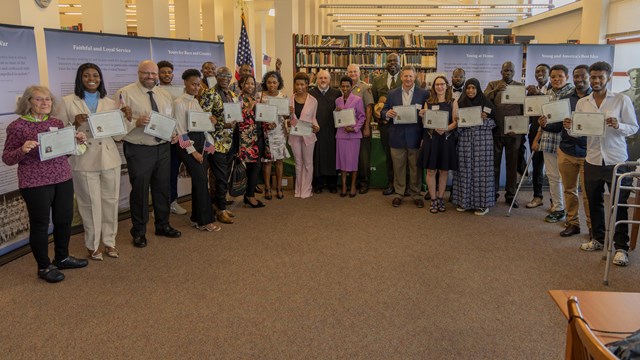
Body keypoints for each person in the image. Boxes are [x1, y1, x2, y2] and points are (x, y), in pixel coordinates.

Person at [2, 86, 89, 282]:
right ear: (28, 102)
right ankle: (43, 267)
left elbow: (63, 153)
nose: (45, 103)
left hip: (63, 178)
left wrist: (76, 141)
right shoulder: (17, 127)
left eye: (48, 99)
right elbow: (7, 158)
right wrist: (22, 150)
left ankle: (62, 257)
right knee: (40, 225)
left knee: (64, 220)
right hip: (35, 182)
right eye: (39, 99)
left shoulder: (57, 123)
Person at [56, 63, 132, 260]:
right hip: (83, 160)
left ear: (101, 79)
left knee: (110, 201)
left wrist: (126, 119)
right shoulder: (67, 102)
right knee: (90, 204)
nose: (92, 79)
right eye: (87, 75)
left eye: (96, 75)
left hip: (109, 158)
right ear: (79, 78)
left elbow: (119, 136)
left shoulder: (110, 102)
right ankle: (92, 244)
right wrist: (74, 123)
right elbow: (58, 134)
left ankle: (109, 242)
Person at [567, 62, 638, 266]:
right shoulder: (583, 102)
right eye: (594, 77)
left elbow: (633, 127)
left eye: (601, 77)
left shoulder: (620, 100)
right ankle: (597, 239)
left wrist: (618, 125)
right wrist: (570, 127)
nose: (596, 81)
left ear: (608, 78)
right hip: (593, 159)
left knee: (619, 204)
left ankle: (621, 248)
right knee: (594, 202)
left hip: (616, 160)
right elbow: (578, 131)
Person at [117, 60, 182, 248]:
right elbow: (118, 122)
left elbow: (169, 119)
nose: (150, 77)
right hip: (139, 149)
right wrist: (135, 123)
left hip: (162, 148)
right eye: (146, 73)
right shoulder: (125, 93)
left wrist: (173, 134)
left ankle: (163, 225)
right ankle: (138, 232)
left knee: (162, 189)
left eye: (153, 74)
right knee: (140, 191)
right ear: (138, 73)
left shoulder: (164, 94)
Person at [543, 64, 592, 237]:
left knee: (588, 193)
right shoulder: (568, 99)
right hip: (567, 149)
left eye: (583, 76)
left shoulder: (596, 98)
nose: (579, 79)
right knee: (569, 190)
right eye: (576, 76)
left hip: (588, 152)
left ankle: (592, 228)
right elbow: (557, 124)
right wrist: (546, 124)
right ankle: (573, 223)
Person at [172, 69, 221, 232]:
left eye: (198, 84)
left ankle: (195, 217)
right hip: (187, 145)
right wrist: (193, 152)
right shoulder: (179, 103)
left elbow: (205, 127)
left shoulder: (195, 101)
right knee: (201, 182)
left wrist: (210, 140)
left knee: (200, 182)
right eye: (193, 84)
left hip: (201, 143)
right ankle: (204, 221)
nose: (196, 87)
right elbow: (180, 132)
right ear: (185, 83)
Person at [531, 64, 575, 223]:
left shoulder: (573, 94)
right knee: (552, 176)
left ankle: (571, 213)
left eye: (560, 77)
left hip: (566, 141)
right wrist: (537, 138)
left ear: (567, 77)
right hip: (548, 139)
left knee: (568, 179)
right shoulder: (547, 93)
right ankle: (558, 208)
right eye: (553, 77)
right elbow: (543, 121)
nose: (556, 79)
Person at [381, 65, 429, 208]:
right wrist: (386, 113)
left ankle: (416, 194)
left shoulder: (424, 94)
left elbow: (430, 112)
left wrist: (426, 113)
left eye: (410, 76)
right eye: (405, 76)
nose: (408, 78)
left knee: (415, 168)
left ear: (415, 77)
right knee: (398, 167)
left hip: (415, 136)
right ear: (401, 77)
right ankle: (399, 193)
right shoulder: (392, 93)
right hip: (397, 137)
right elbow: (384, 109)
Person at [452, 79, 496, 215]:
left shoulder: (487, 103)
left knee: (481, 172)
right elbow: (456, 126)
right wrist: (458, 121)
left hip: (482, 143)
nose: (470, 91)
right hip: (465, 142)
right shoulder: (460, 103)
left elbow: (496, 123)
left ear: (478, 89)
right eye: (468, 88)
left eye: (473, 88)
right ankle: (464, 202)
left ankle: (483, 205)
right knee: (464, 170)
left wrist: (485, 118)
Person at [199, 66, 238, 224]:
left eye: (228, 76)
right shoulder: (210, 93)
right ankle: (221, 210)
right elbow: (204, 117)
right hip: (216, 143)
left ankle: (217, 205)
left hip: (230, 142)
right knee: (220, 177)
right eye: (221, 76)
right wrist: (223, 125)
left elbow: (235, 114)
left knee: (225, 175)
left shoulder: (232, 94)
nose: (225, 78)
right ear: (216, 77)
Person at [484, 61, 524, 207]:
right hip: (496, 131)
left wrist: (521, 127)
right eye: (505, 70)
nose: (508, 73)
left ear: (514, 72)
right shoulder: (493, 84)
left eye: (511, 71)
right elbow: (483, 99)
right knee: (494, 165)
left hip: (514, 133)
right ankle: (492, 193)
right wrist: (495, 91)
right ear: (501, 71)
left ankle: (511, 195)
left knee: (512, 166)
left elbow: (525, 108)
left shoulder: (520, 87)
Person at [420, 75, 458, 213]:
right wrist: (424, 116)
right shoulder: (428, 102)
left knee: (443, 170)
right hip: (432, 139)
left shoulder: (452, 102)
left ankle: (441, 198)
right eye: (437, 85)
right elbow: (425, 123)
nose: (439, 87)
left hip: (446, 139)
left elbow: (456, 121)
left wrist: (446, 128)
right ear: (434, 87)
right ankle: (433, 199)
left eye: (442, 84)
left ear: (446, 86)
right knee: (431, 170)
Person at [156, 60, 187, 215]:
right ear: (157, 74)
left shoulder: (181, 90)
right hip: (160, 138)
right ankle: (160, 205)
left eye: (169, 72)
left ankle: (172, 201)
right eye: (163, 72)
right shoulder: (153, 91)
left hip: (177, 138)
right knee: (159, 174)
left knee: (173, 171)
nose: (166, 75)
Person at [372, 53, 402, 195]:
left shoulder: (407, 78)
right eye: (389, 61)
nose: (392, 63)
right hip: (385, 126)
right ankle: (390, 183)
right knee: (389, 156)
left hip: (403, 125)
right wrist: (379, 118)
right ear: (385, 63)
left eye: (395, 61)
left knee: (404, 155)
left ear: (400, 62)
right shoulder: (377, 80)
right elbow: (374, 103)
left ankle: (405, 184)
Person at [309, 70, 341, 193]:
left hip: (332, 130)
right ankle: (318, 184)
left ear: (330, 80)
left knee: (331, 156)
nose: (323, 80)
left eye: (325, 78)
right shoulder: (311, 93)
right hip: (316, 130)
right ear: (317, 79)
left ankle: (332, 183)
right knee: (317, 157)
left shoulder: (336, 93)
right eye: (320, 78)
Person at [289, 72, 320, 199]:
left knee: (308, 163)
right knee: (298, 163)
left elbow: (313, 118)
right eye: (297, 84)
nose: (300, 87)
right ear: (295, 85)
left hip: (308, 135)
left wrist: (317, 127)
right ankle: (298, 190)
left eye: (302, 84)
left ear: (307, 84)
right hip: (295, 135)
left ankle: (306, 190)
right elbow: (288, 119)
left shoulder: (313, 101)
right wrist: (288, 114)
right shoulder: (289, 99)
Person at [259, 70, 290, 200]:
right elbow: (258, 115)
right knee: (267, 162)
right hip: (266, 132)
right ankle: (267, 188)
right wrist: (266, 124)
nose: (272, 85)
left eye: (274, 82)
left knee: (279, 160)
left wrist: (288, 113)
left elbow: (285, 116)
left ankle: (278, 187)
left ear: (279, 83)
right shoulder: (261, 96)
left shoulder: (283, 97)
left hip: (279, 132)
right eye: (269, 82)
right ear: (266, 83)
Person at [237, 74, 266, 208]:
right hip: (246, 139)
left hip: (259, 136)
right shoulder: (238, 99)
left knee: (256, 167)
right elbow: (237, 118)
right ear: (241, 85)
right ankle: (249, 196)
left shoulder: (255, 99)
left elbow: (259, 117)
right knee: (252, 167)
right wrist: (249, 107)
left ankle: (249, 194)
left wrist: (268, 123)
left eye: (252, 83)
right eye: (247, 83)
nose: (250, 86)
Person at [524, 64, 551, 209]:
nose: (539, 74)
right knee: (537, 166)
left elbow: (550, 106)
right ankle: (537, 196)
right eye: (537, 71)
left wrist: (538, 95)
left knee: (554, 170)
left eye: (543, 71)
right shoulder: (531, 91)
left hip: (552, 133)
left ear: (549, 74)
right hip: (535, 132)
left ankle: (556, 201)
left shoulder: (555, 89)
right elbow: (529, 112)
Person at [335, 76, 366, 197]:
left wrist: (354, 129)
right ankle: (343, 186)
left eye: (347, 86)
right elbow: (337, 118)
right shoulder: (337, 100)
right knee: (342, 161)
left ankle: (352, 185)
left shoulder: (357, 100)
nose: (345, 88)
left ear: (351, 86)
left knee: (353, 161)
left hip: (354, 135)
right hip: (341, 134)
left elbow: (362, 117)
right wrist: (336, 113)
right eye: (343, 86)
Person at [346, 64, 374, 194]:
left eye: (355, 72)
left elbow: (369, 107)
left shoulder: (365, 87)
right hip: (348, 128)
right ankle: (353, 182)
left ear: (359, 73)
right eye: (350, 72)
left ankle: (364, 182)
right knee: (351, 155)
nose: (352, 74)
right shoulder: (345, 87)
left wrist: (367, 126)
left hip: (362, 126)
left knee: (363, 157)